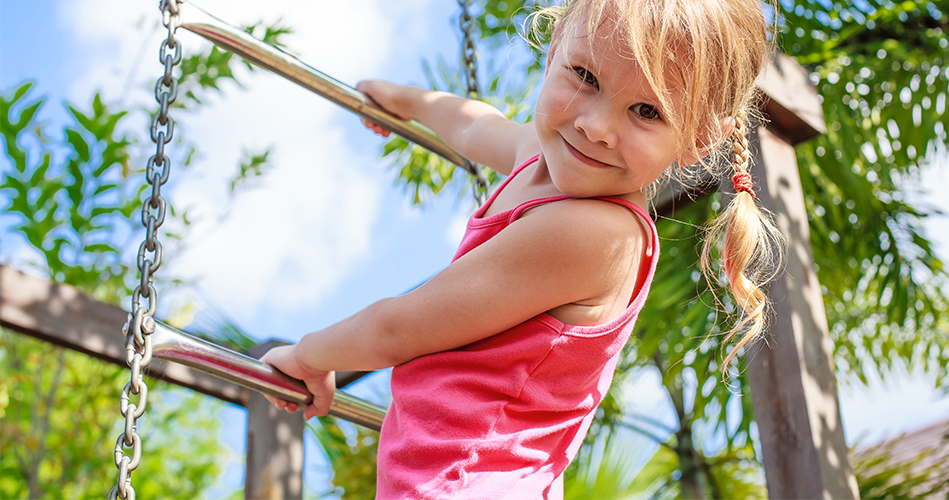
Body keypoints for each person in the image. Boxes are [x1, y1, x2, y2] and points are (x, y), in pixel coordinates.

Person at [261, 0, 784, 497]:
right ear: (555, 45)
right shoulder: (539, 156)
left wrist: (307, 356)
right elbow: (473, 124)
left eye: (646, 111)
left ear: (699, 138)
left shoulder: (596, 234)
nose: (595, 127)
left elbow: (398, 328)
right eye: (585, 77)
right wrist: (407, 101)